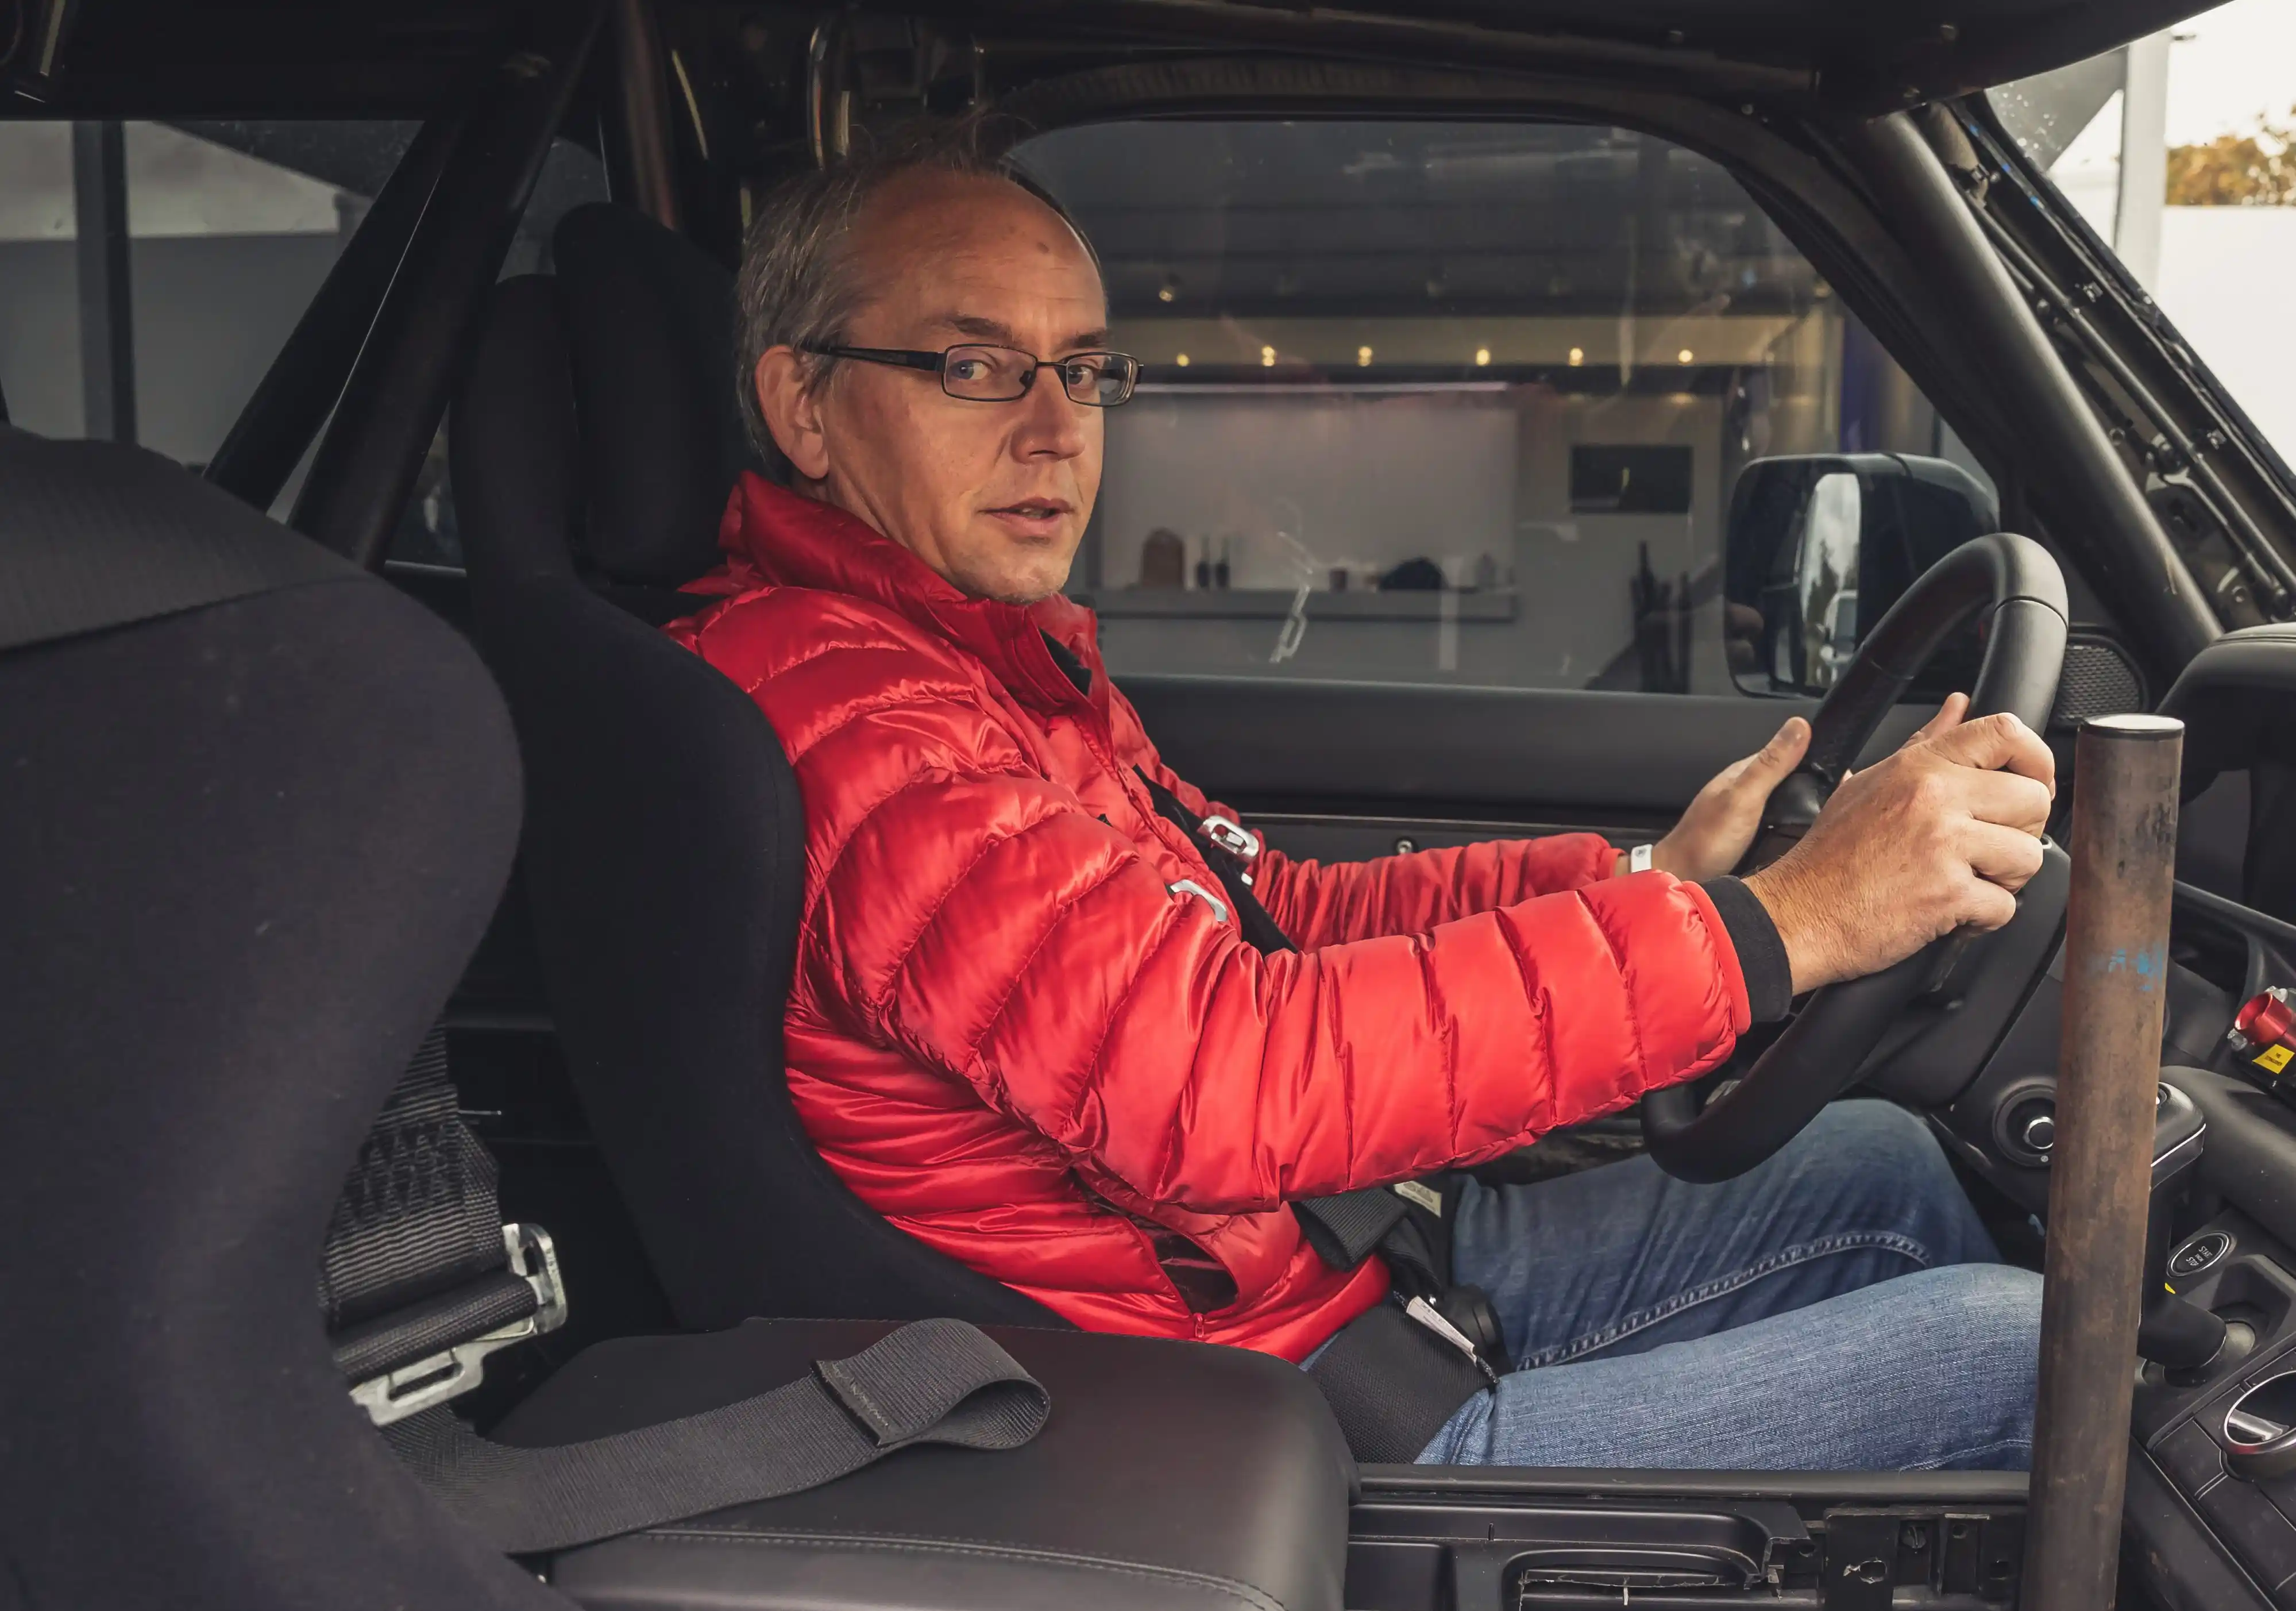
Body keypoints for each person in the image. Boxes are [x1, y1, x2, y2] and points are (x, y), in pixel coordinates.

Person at [666, 115, 2052, 1470]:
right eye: (975, 366)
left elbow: (1273, 910)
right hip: (1266, 1423)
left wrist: (1659, 884)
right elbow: (1222, 1078)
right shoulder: (866, 729)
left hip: (1325, 1280)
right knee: (2033, 1353)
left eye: (1082, 370)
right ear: (803, 406)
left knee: (1877, 1165)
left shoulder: (981, 667)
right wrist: (1786, 926)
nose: (1055, 430)